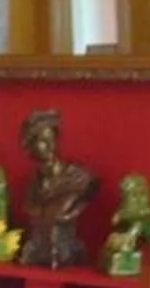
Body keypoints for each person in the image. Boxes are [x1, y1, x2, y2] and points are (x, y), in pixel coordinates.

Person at [17, 110, 99, 269]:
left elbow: (89, 188)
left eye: (52, 139)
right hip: (38, 251)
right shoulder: (32, 186)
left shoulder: (79, 178)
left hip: (64, 251)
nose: (49, 146)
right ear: (30, 147)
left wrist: (72, 212)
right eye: (42, 141)